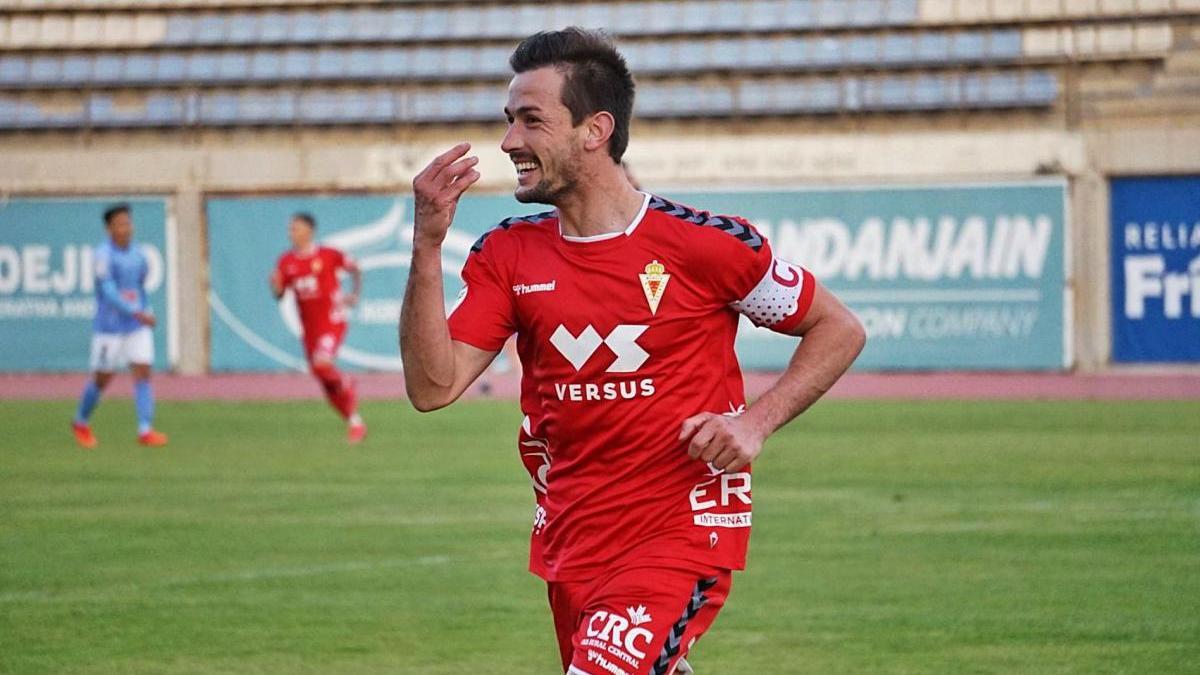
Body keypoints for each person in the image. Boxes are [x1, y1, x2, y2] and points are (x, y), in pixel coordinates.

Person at [400, 29, 866, 675]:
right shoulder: (506, 254)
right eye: (509, 121)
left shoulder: (705, 244)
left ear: (595, 130)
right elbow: (433, 386)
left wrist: (753, 422)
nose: (509, 141)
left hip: (681, 533)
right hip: (572, 535)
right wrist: (426, 246)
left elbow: (837, 327)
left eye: (531, 120)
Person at [72, 204, 168, 448]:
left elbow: (140, 287)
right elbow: (108, 291)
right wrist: (136, 312)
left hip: (136, 326)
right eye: (120, 223)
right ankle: (81, 421)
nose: (126, 228)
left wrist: (145, 310)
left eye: (128, 222)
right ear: (109, 228)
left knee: (143, 371)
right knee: (103, 378)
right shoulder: (103, 255)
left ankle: (145, 429)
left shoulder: (139, 255)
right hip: (110, 327)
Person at [270, 212, 367, 443]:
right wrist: (274, 286)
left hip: (332, 321)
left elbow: (355, 267)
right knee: (323, 379)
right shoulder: (287, 262)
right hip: (310, 328)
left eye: (296, 228)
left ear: (309, 230)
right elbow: (279, 294)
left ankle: (345, 382)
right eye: (290, 229)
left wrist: (353, 294)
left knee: (323, 364)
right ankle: (355, 421)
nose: (291, 233)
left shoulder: (328, 255)